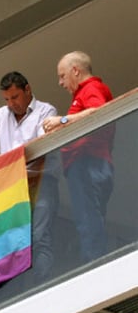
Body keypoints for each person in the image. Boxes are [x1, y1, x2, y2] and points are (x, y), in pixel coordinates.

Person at [0, 71, 59, 283]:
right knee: (14, 240)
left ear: (27, 90)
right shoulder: (2, 114)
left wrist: (6, 159)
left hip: (40, 181)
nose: (11, 103)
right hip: (12, 185)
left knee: (39, 237)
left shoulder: (46, 110)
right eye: (7, 99)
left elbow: (41, 147)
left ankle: (41, 284)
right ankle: (21, 286)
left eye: (15, 97)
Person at [43, 51, 114, 263]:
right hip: (91, 163)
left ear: (76, 70)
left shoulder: (91, 88)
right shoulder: (82, 95)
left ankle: (94, 265)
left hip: (88, 163)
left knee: (88, 220)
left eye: (62, 76)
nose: (60, 82)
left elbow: (98, 112)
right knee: (90, 218)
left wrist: (63, 121)